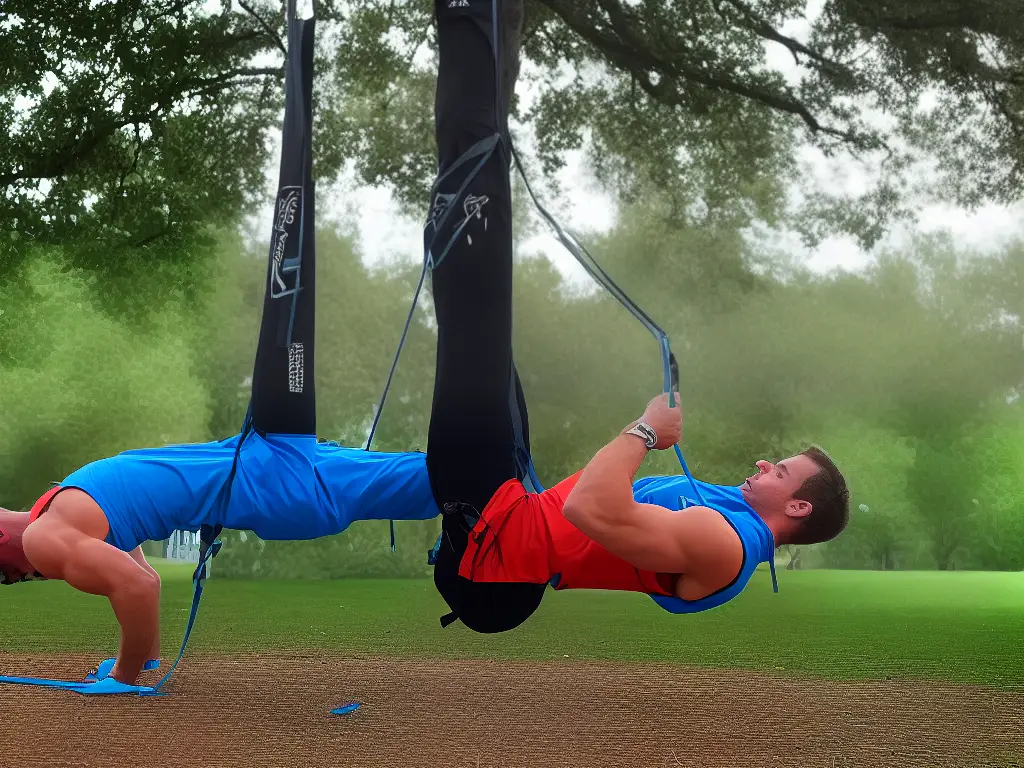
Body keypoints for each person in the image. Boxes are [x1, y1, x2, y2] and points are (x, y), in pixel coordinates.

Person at [0, 11, 440, 686]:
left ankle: (567, 504)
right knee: (448, 480)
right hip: (268, 469)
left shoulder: (49, 529)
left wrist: (126, 673)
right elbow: (137, 573)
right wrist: (136, 653)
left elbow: (137, 585)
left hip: (270, 474)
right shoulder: (64, 514)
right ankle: (564, 502)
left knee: (450, 481)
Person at [422, 0, 850, 634]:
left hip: (493, 529)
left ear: (794, 505)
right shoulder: (726, 515)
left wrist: (647, 431)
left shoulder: (723, 544)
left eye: (780, 470)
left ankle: (469, 18)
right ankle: (488, 22)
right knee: (482, 313)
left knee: (472, 296)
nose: (765, 463)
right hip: (509, 507)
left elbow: (596, 509)